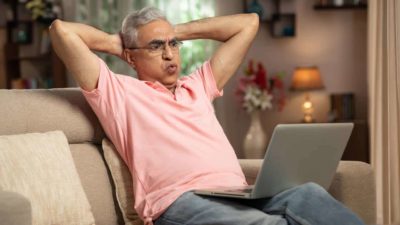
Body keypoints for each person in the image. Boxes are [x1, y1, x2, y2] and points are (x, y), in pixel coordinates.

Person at [49, 7, 365, 225]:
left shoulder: (197, 85)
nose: (170, 54)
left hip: (237, 194)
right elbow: (61, 31)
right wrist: (118, 44)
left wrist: (176, 30)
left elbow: (249, 24)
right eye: (156, 46)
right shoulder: (118, 93)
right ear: (131, 57)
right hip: (179, 203)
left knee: (308, 195)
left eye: (174, 44)